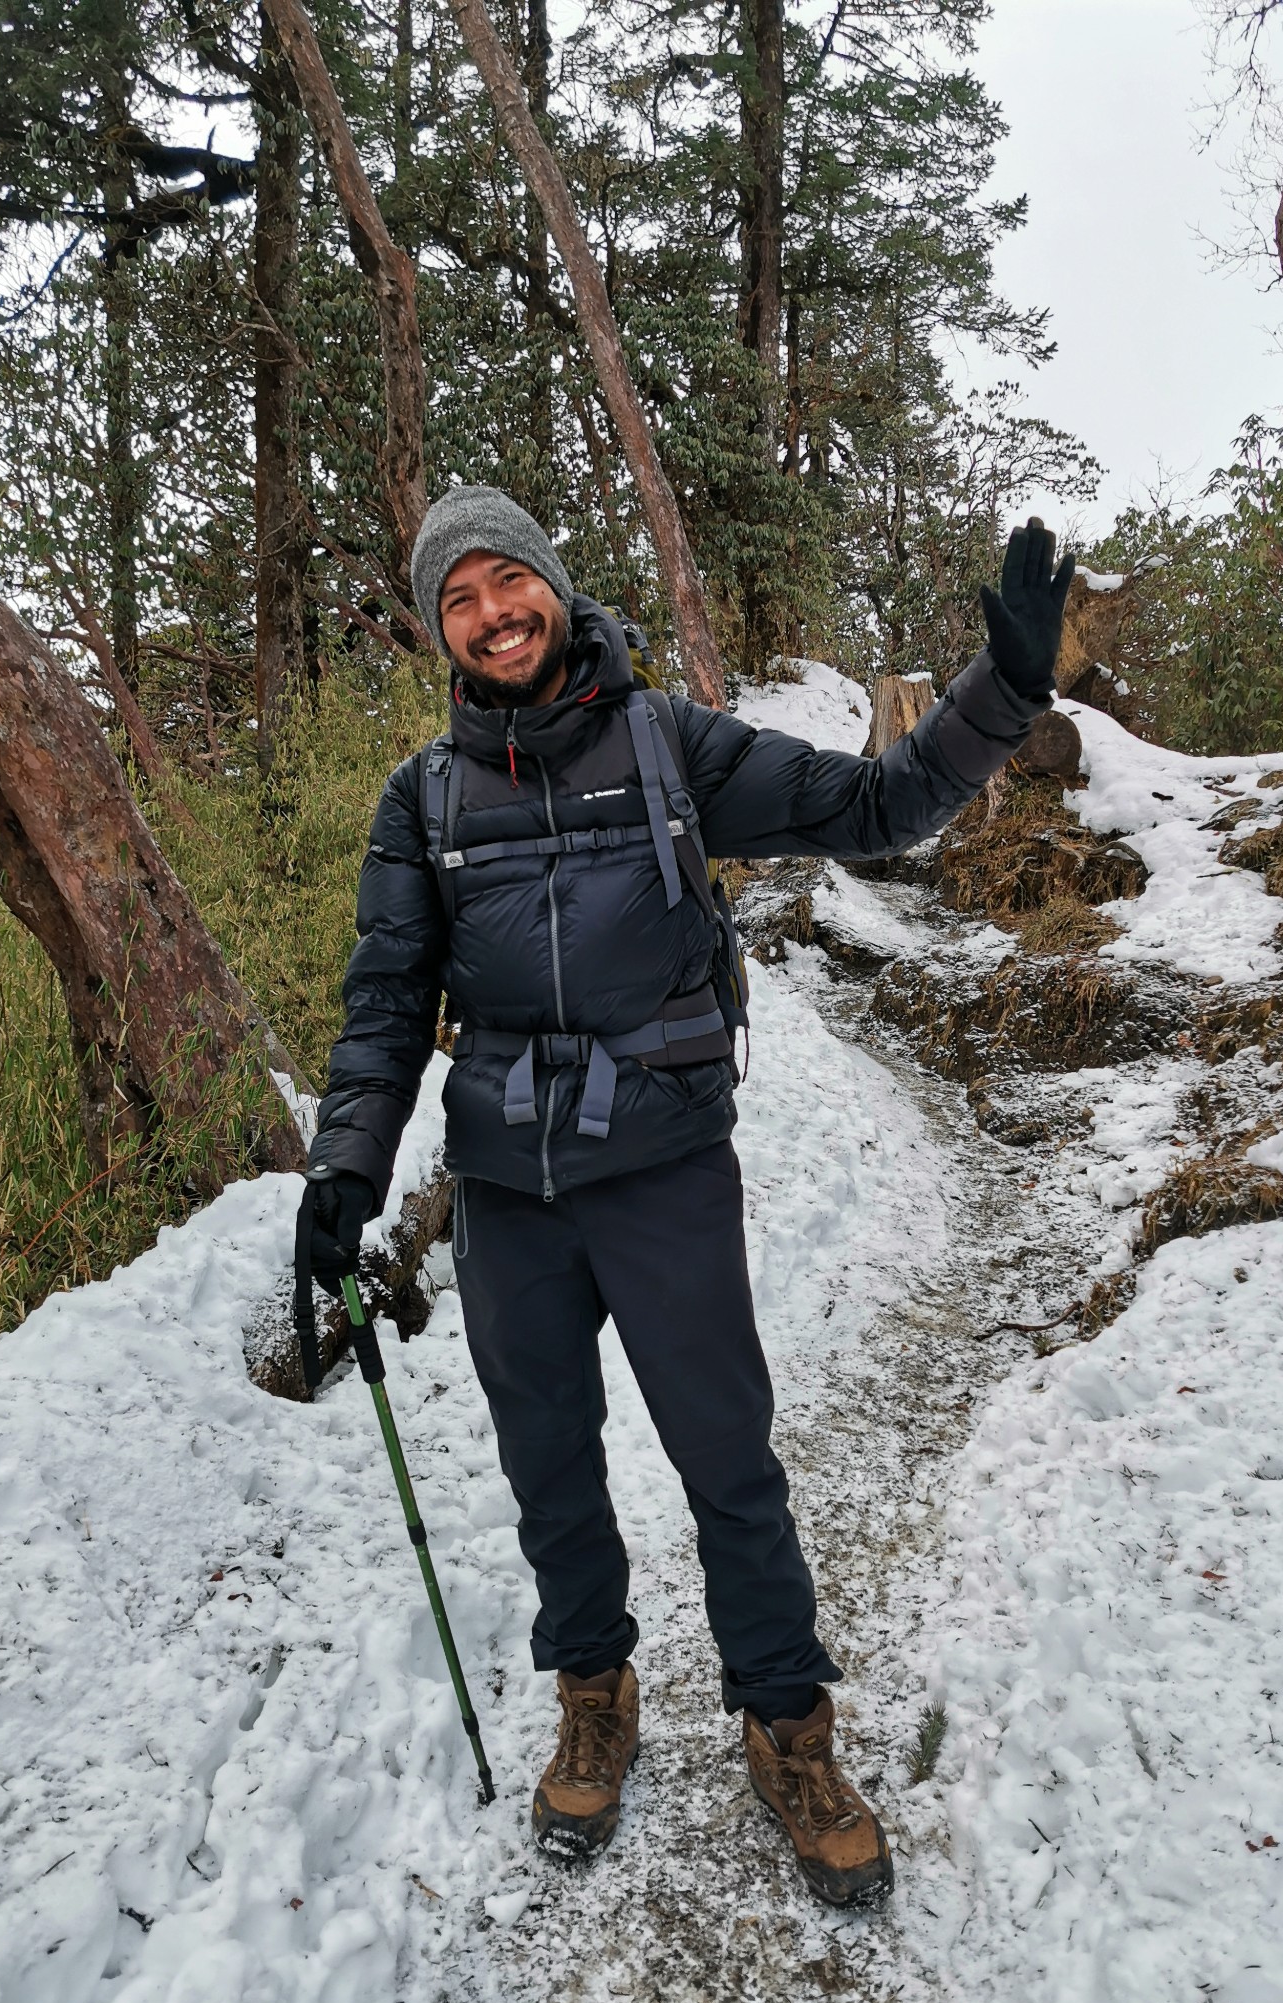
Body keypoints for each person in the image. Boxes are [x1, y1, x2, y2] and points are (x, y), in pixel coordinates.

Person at [302, 484, 1073, 1907]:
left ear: (550, 584)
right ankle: (595, 1695)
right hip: (504, 1194)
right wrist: (345, 1168)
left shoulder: (667, 744)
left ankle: (789, 1726)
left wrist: (1005, 685)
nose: (490, 615)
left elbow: (878, 806)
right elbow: (383, 1003)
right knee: (550, 1474)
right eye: (456, 601)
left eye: (504, 583)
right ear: (440, 633)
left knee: (727, 1462)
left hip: (661, 1172)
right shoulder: (420, 800)